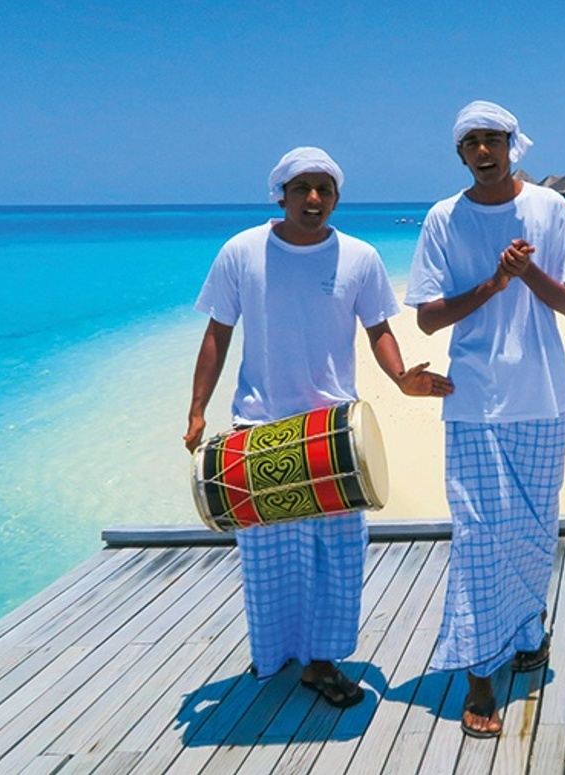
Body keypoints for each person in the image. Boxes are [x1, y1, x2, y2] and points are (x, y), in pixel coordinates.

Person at [185, 146, 452, 708]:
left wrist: (401, 377)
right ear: (280, 194)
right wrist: (196, 410)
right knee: (268, 558)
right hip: (259, 427)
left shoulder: (359, 256)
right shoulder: (241, 251)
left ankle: (323, 662)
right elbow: (217, 333)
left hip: (333, 431)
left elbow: (378, 328)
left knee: (338, 556)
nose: (313, 198)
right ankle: (277, 655)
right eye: (302, 188)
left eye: (324, 189)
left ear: (336, 198)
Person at [405, 101, 565, 738]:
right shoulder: (443, 218)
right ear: (461, 153)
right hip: (474, 397)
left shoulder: (550, 209)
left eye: (494, 140)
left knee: (535, 531)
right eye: (472, 142)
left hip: (543, 395)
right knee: (478, 536)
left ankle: (527, 631)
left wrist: (527, 270)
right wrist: (491, 284)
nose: (484, 151)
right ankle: (479, 672)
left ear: (513, 145)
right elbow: (427, 318)